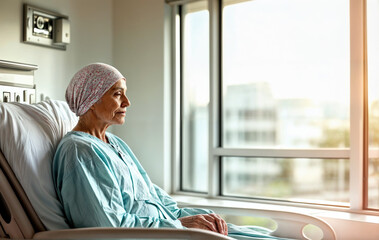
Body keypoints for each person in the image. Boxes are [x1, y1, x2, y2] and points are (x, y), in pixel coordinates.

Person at [53, 63, 285, 240]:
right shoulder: (79, 152)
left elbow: (153, 196)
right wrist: (182, 226)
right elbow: (107, 225)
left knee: (259, 235)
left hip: (171, 228)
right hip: (161, 235)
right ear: (91, 100)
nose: (127, 102)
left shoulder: (113, 143)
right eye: (117, 94)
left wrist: (198, 217)